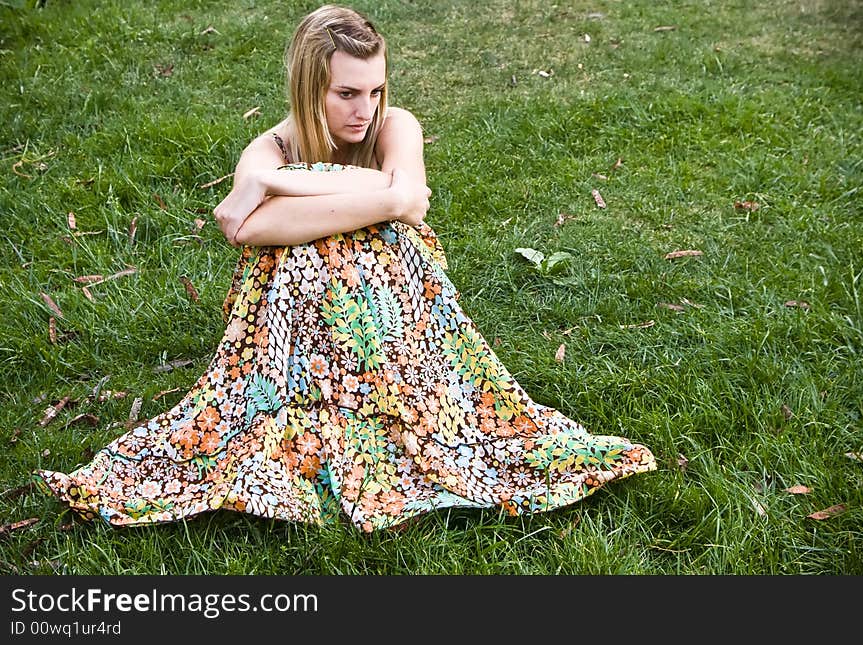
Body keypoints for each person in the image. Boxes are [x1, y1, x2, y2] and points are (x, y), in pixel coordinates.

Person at [34, 4, 656, 533]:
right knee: (306, 255)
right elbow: (242, 226)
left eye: (376, 89)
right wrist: (364, 194)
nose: (366, 108)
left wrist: (290, 188)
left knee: (353, 242)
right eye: (347, 92)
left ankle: (384, 405)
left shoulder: (393, 127)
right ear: (310, 90)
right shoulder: (270, 147)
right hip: (298, 326)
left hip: (396, 319)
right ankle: (323, 407)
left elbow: (407, 200)